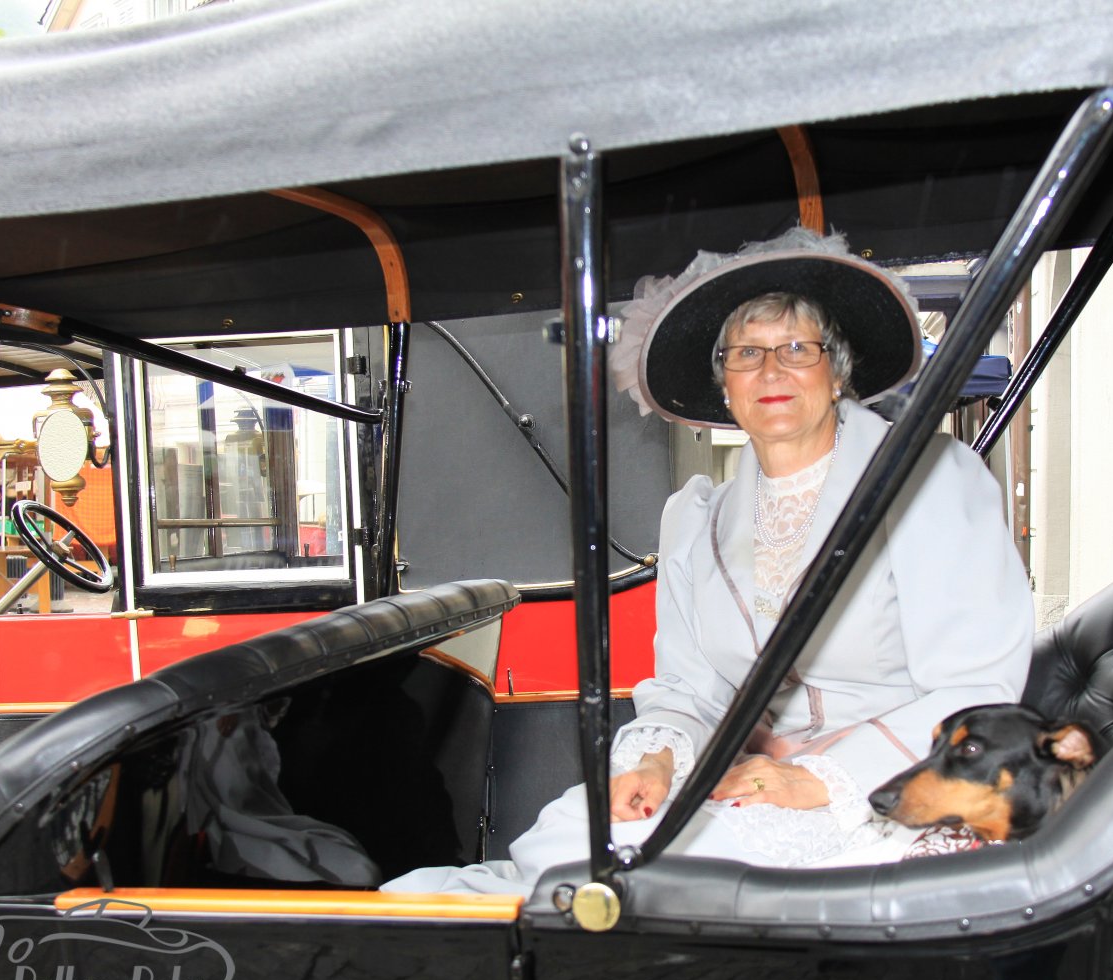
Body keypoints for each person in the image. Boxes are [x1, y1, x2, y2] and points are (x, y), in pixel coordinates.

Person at [381, 229, 1033, 893]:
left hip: (886, 787)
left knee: (619, 874)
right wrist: (657, 761)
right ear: (724, 384)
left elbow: (976, 688)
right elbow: (690, 692)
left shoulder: (928, 481)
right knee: (571, 831)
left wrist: (819, 779)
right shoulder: (696, 521)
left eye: (797, 348)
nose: (771, 371)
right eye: (746, 353)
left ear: (838, 372)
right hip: (736, 779)